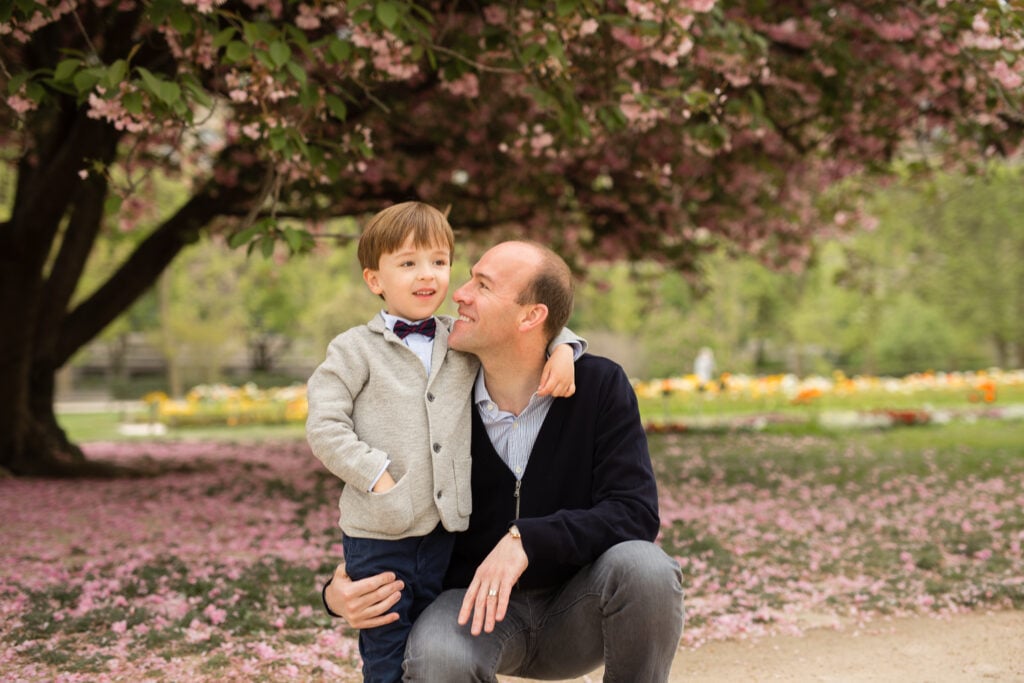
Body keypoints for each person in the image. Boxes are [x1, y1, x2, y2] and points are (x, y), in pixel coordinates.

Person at [323, 240, 685, 682]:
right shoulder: (437, 393)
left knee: (646, 568)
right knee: (437, 658)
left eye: (482, 285)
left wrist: (525, 540)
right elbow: (391, 511)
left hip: (578, 606)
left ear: (531, 317)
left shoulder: (598, 385)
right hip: (472, 609)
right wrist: (335, 593)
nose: (458, 292)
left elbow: (634, 513)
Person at [306, 204, 583, 683]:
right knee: (388, 651)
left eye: (438, 261)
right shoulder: (353, 349)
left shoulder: (459, 340)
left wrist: (563, 349)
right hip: (380, 533)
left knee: (434, 646)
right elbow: (325, 426)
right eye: (408, 263)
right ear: (375, 280)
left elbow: (530, 322)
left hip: (445, 532)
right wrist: (377, 475)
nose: (427, 275)